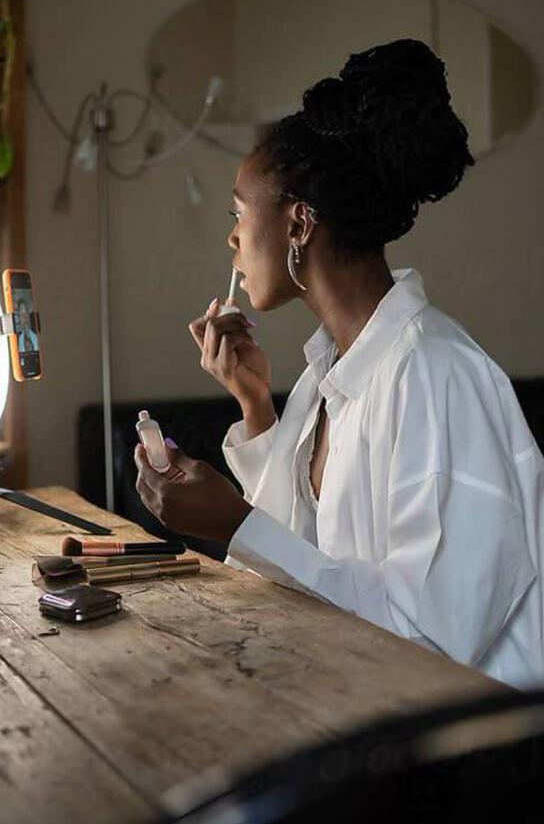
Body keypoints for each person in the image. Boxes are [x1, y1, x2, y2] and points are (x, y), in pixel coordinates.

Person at [134, 39, 543, 688]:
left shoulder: (436, 376)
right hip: (356, 709)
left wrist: (233, 524)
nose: (232, 238)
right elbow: (307, 569)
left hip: (482, 756)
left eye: (240, 213)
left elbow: (429, 638)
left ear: (299, 224)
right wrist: (256, 407)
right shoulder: (331, 372)